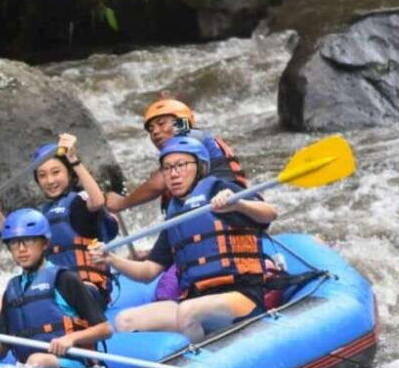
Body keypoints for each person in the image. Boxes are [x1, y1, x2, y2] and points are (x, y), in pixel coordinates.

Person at [89, 136, 277, 342]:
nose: (174, 174)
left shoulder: (220, 190)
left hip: (241, 296)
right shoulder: (176, 217)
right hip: (195, 299)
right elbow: (148, 272)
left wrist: (239, 205)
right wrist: (112, 260)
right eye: (167, 168)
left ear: (201, 167)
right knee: (126, 320)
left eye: (181, 165)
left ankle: (201, 359)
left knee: (189, 311)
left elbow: (270, 213)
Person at [0, 133, 118, 305]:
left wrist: (74, 160)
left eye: (56, 172)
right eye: (42, 175)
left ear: (69, 173)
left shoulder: (81, 202)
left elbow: (98, 201)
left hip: (88, 289)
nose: (50, 180)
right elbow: (15, 237)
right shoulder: (43, 214)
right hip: (52, 288)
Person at [0, 208, 112, 368]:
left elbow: (105, 329)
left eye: (29, 240)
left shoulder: (64, 279)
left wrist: (71, 339)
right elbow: (1, 350)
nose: (21, 249)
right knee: (34, 361)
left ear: (45, 243)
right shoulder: (12, 290)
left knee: (38, 360)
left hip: (73, 365)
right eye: (14, 243)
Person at [104, 98, 247, 215]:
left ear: (182, 122)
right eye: (151, 129)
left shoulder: (190, 136)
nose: (155, 132)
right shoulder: (187, 145)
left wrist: (121, 203)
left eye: (161, 124)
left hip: (226, 203)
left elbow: (158, 184)